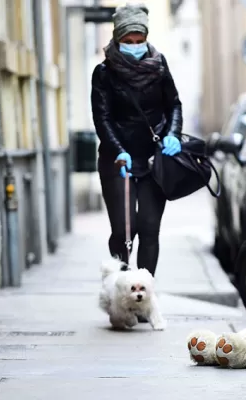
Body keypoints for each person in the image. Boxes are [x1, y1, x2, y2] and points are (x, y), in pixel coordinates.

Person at [91, 3, 183, 278]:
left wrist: (172, 135)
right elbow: (102, 118)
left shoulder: (159, 65)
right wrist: (118, 150)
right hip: (118, 160)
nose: (134, 45)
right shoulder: (104, 73)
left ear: (146, 37)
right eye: (128, 41)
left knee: (150, 227)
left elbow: (174, 105)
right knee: (123, 230)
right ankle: (120, 289)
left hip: (155, 159)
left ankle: (144, 292)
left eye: (139, 40)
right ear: (117, 39)